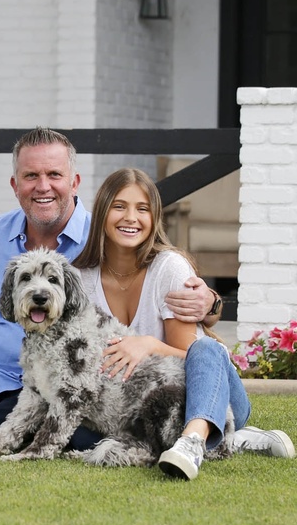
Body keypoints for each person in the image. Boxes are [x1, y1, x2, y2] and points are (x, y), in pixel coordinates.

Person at [0, 127, 222, 466]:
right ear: (15, 184)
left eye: (54, 175)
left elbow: (154, 260)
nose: (43, 186)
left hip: (52, 390)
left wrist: (211, 304)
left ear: (74, 182)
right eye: (31, 176)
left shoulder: (104, 238)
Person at [72, 167, 294, 479]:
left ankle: (192, 442)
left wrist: (148, 346)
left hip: (211, 396)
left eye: (142, 209)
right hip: (139, 408)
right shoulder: (81, 280)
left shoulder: (169, 268)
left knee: (206, 348)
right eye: (119, 206)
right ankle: (231, 440)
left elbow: (190, 359)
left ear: (154, 218)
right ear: (102, 213)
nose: (130, 218)